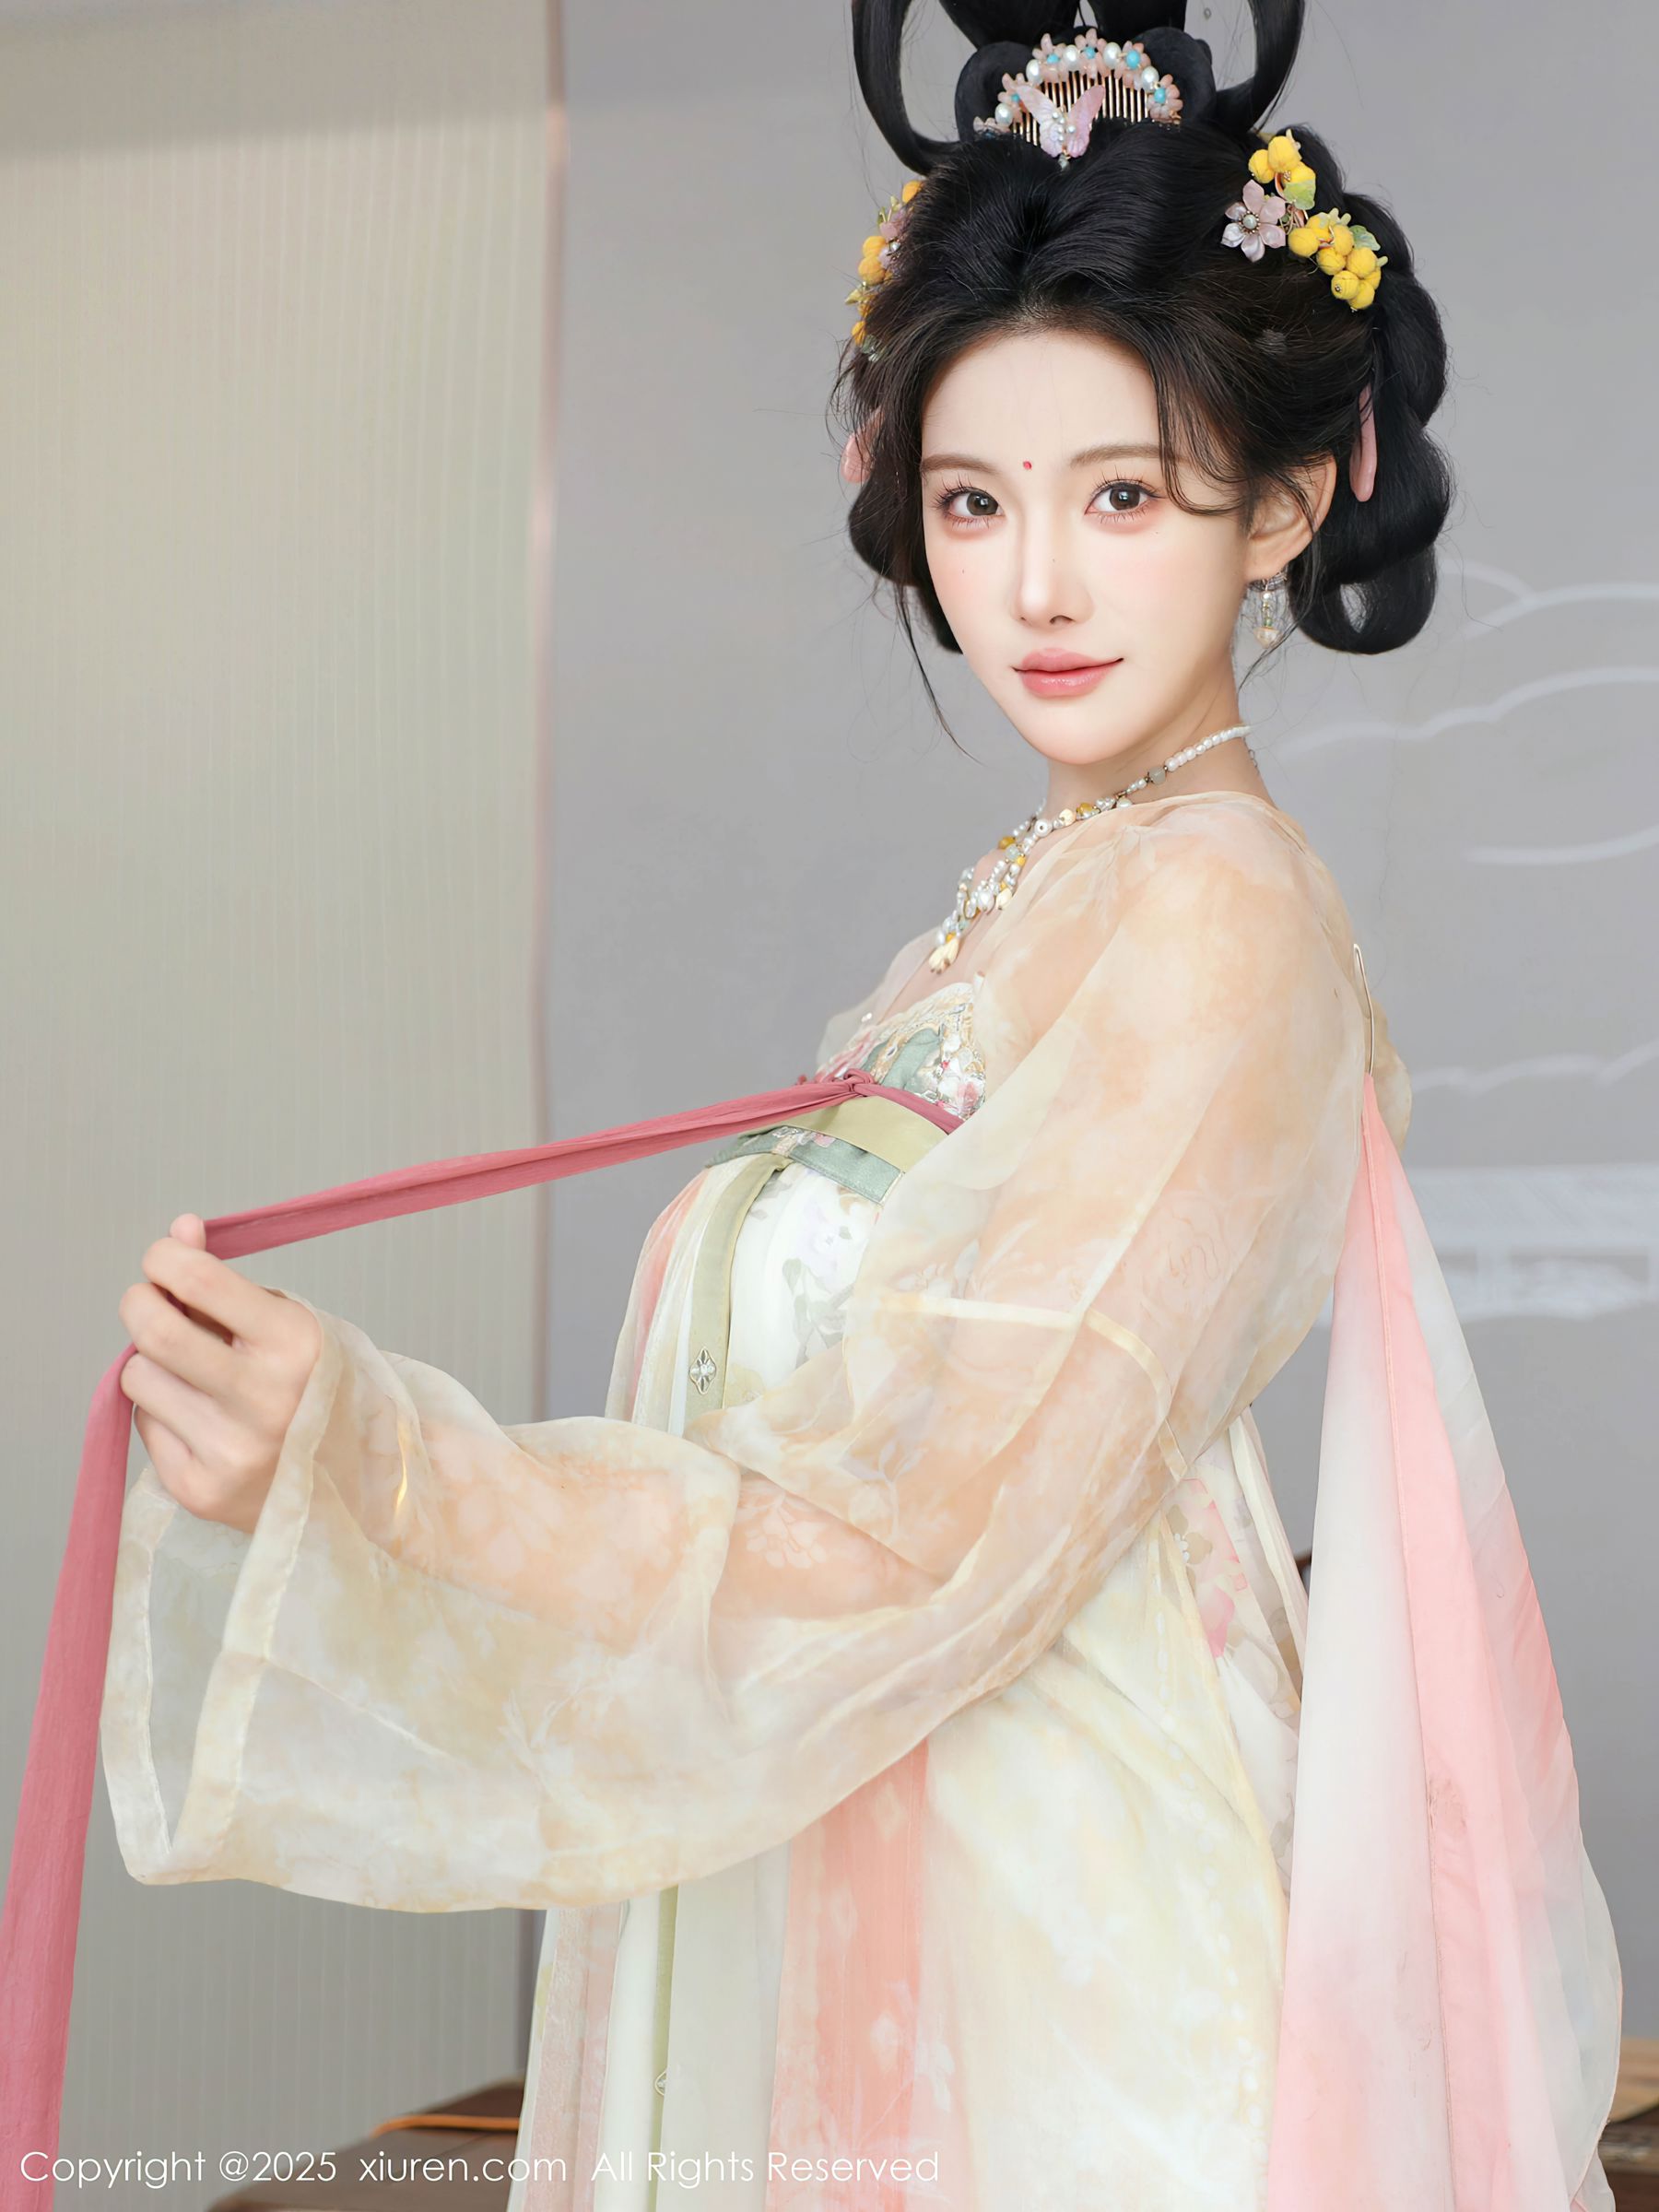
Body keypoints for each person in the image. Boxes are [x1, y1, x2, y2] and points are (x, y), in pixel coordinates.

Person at [100, 5, 1622, 2208]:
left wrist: (382, 1465)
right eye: (975, 502)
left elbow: (909, 1539)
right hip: (895, 1901)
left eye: (1123, 496)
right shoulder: (1025, 901)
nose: (1037, 586)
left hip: (1063, 1968)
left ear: (1290, 501)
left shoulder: (1219, 914)